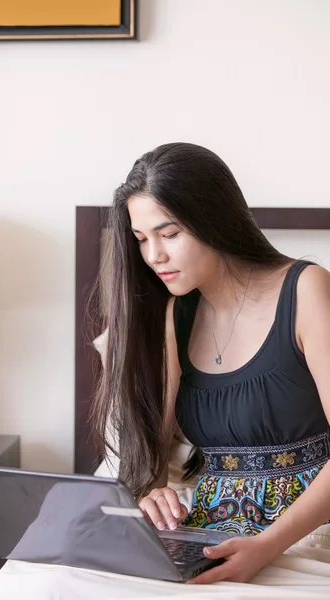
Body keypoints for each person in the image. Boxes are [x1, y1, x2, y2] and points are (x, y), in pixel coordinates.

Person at [91, 142, 330, 584]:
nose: (153, 256)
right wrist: (150, 493)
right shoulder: (173, 314)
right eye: (141, 239)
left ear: (213, 220)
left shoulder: (306, 289)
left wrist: (266, 546)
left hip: (304, 535)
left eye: (170, 234)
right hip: (204, 533)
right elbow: (150, 449)